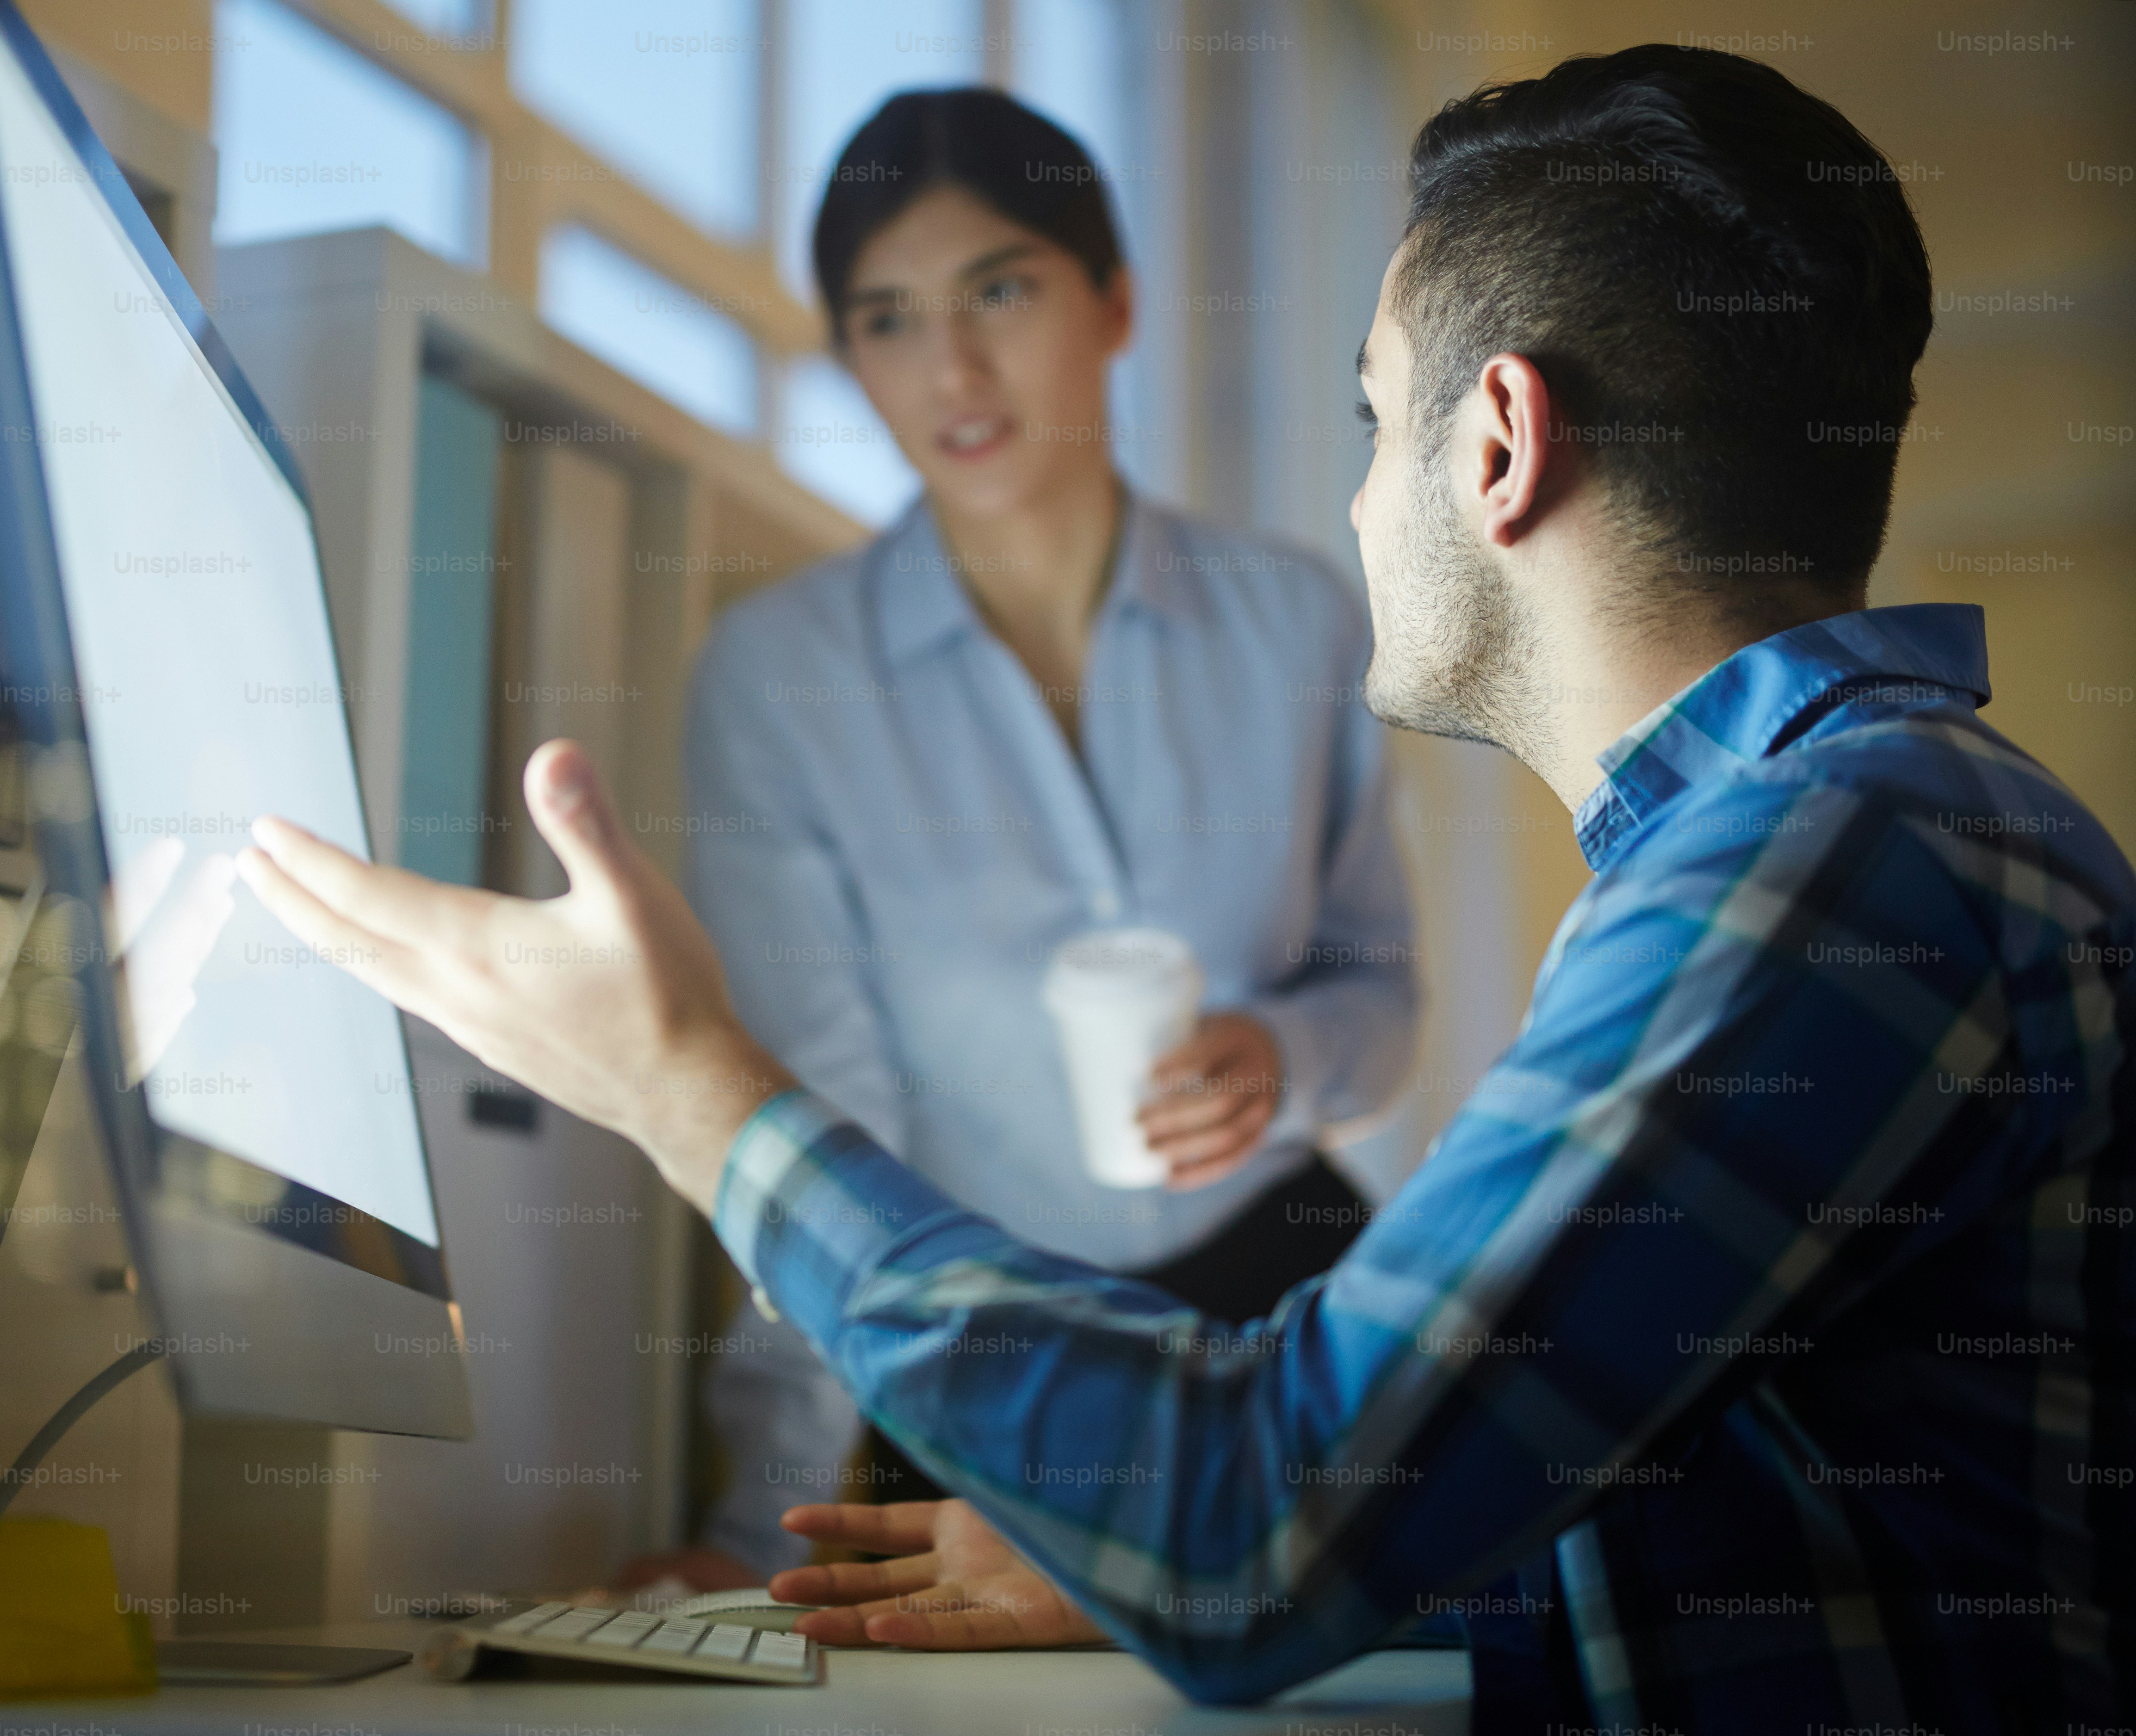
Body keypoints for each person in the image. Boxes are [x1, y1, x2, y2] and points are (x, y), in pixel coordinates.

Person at [229, 45, 2135, 1733]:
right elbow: (1730, 1506)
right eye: (887, 319)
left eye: (1374, 420)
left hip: (1247, 1353)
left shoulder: (1810, 866)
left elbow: (1258, 1528)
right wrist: (1140, 1553)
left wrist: (685, 1090)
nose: (1360, 499)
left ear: (1496, 444)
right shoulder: (1839, 838)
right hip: (1144, 1418)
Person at [650, 86, 1417, 1587]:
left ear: (1115, 301)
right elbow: (818, 1132)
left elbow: (1381, 991)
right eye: (888, 320)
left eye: (999, 290)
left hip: (1297, 1307)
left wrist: (1284, 1058)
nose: (953, 368)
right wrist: (756, 1528)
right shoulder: (780, 679)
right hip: (985, 1350)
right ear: (849, 360)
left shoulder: (1298, 620)